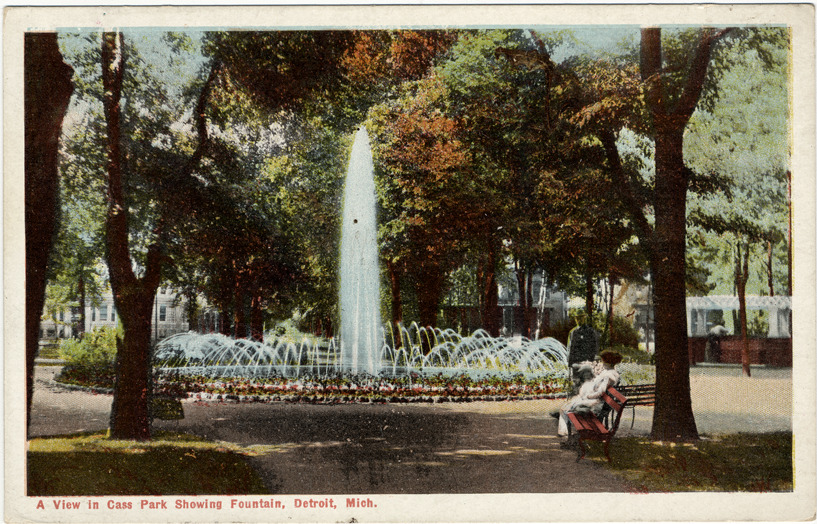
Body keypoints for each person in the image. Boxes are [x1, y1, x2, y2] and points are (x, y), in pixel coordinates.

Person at [555, 350, 622, 439]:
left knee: (565, 409)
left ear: (608, 362)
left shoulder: (609, 375)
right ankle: (565, 433)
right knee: (565, 408)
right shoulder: (611, 373)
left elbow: (600, 392)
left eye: (603, 361)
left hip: (595, 402)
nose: (602, 363)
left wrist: (587, 396)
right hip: (598, 401)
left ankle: (565, 434)